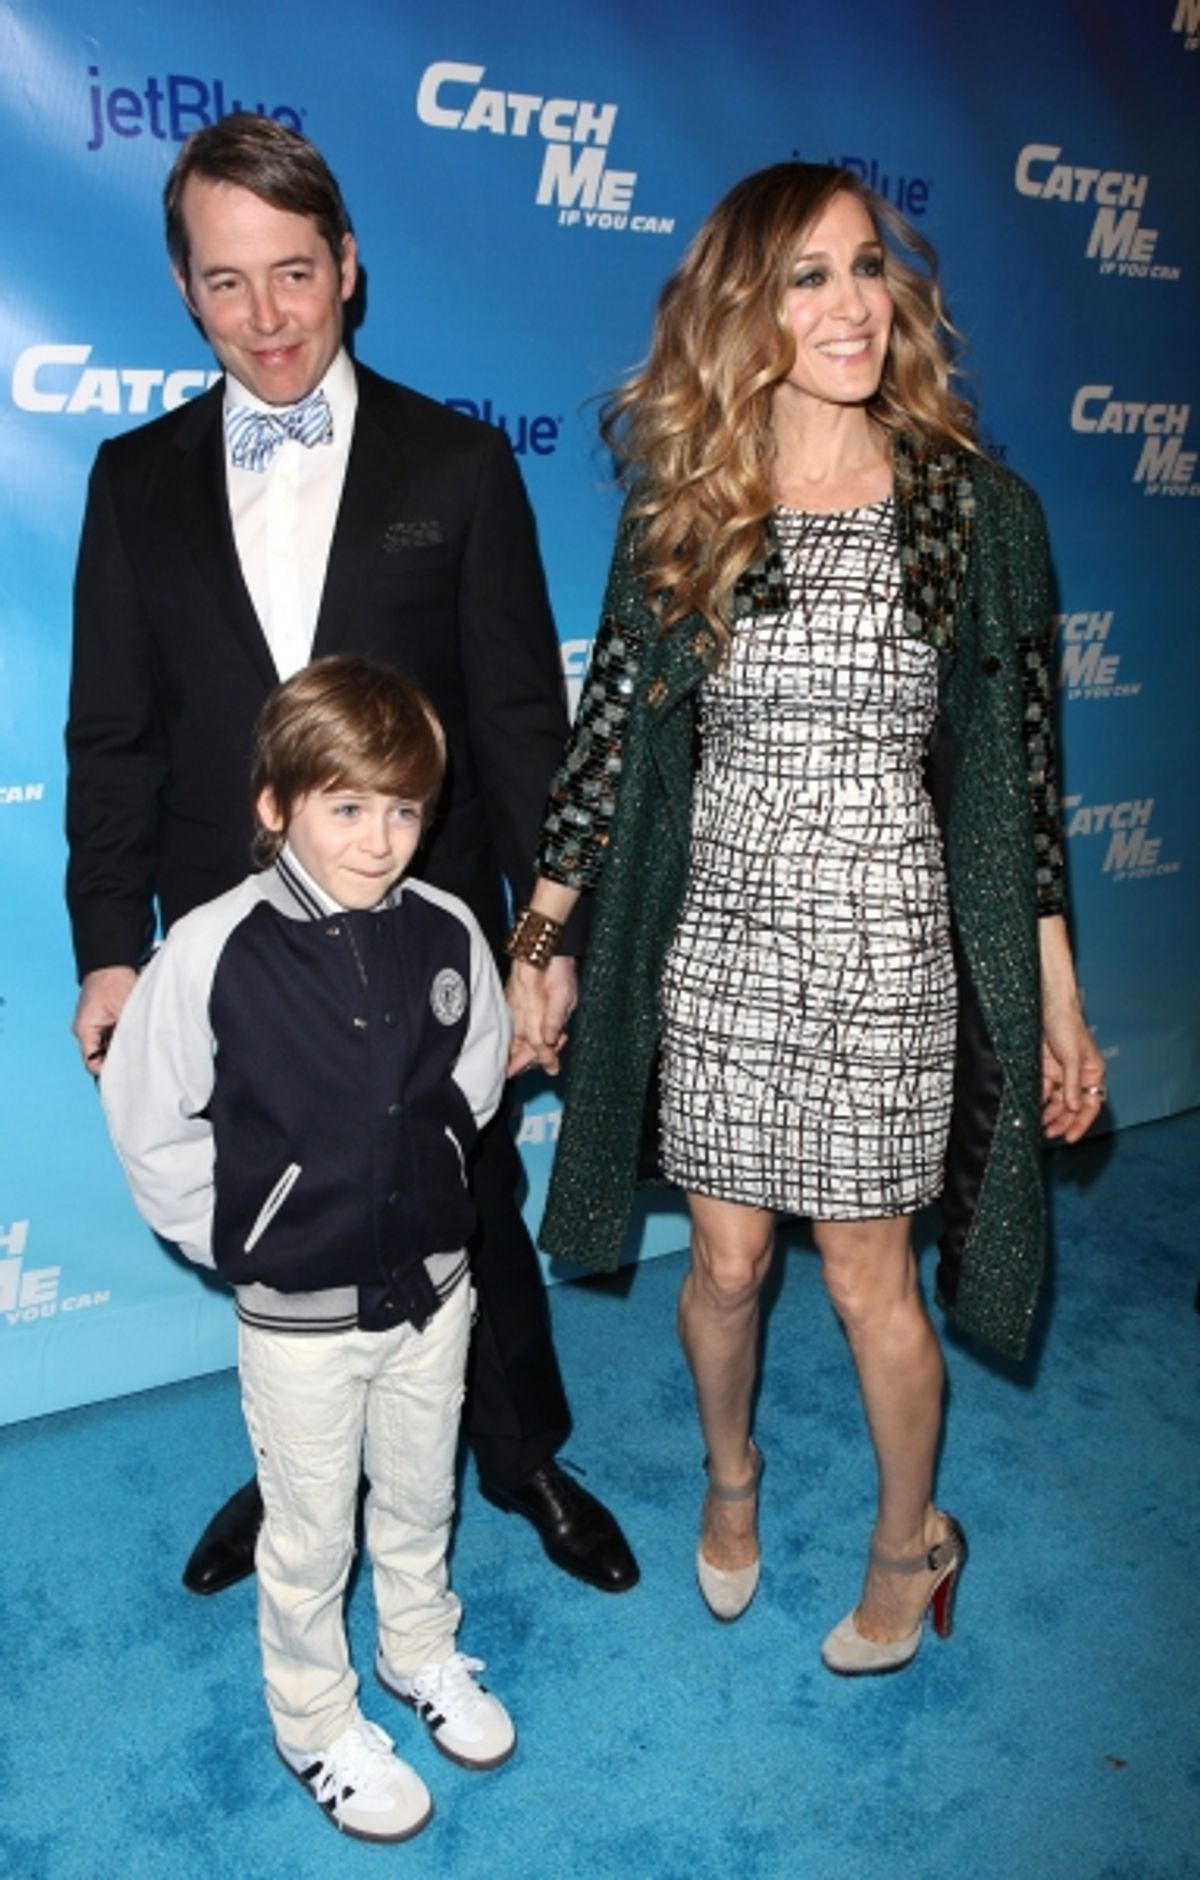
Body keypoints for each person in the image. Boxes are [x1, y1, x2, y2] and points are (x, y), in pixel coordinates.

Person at [507, 162, 1104, 1669]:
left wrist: (1061, 1002)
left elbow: (1025, 792)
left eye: (866, 268)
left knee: (867, 1276)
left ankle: (911, 1549)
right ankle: (732, 1478)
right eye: (808, 277)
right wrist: (541, 939)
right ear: (744, 312)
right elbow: (603, 751)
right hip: (721, 949)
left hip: (893, 950)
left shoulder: (977, 513)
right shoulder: (691, 511)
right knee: (722, 1265)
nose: (851, 305)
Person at [65, 114, 635, 1597]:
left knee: (468, 1202)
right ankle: (292, 1471)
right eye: (227, 280)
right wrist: (112, 949)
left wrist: (544, 941)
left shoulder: (457, 465)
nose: (265, 317)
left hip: (429, 934)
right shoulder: (131, 481)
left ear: (350, 268)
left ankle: (520, 1458)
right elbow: (112, 738)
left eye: (295, 274)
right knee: (282, 1214)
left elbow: (521, 726)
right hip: (234, 940)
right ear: (186, 289)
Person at [101, 658, 516, 1841]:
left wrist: (427, 1170)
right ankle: (314, 1718)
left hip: (437, 1291)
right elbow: (151, 1120)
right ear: (275, 806)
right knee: (309, 1530)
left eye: (403, 809)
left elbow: (473, 1078)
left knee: (423, 1492)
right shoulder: (212, 950)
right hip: (298, 1319)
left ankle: (419, 1649)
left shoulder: (446, 929)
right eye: (347, 807)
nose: (381, 839)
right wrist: (253, 1235)